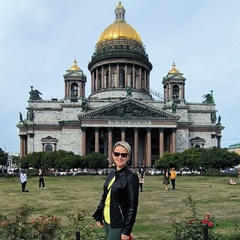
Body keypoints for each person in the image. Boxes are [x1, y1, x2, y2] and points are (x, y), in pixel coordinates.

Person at [93, 141, 139, 240]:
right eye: (117, 154)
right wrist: (99, 215)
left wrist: (127, 230)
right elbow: (105, 196)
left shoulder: (131, 177)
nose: (120, 157)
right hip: (107, 219)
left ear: (128, 157)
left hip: (119, 222)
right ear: (112, 155)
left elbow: (132, 205)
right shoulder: (111, 174)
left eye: (124, 155)